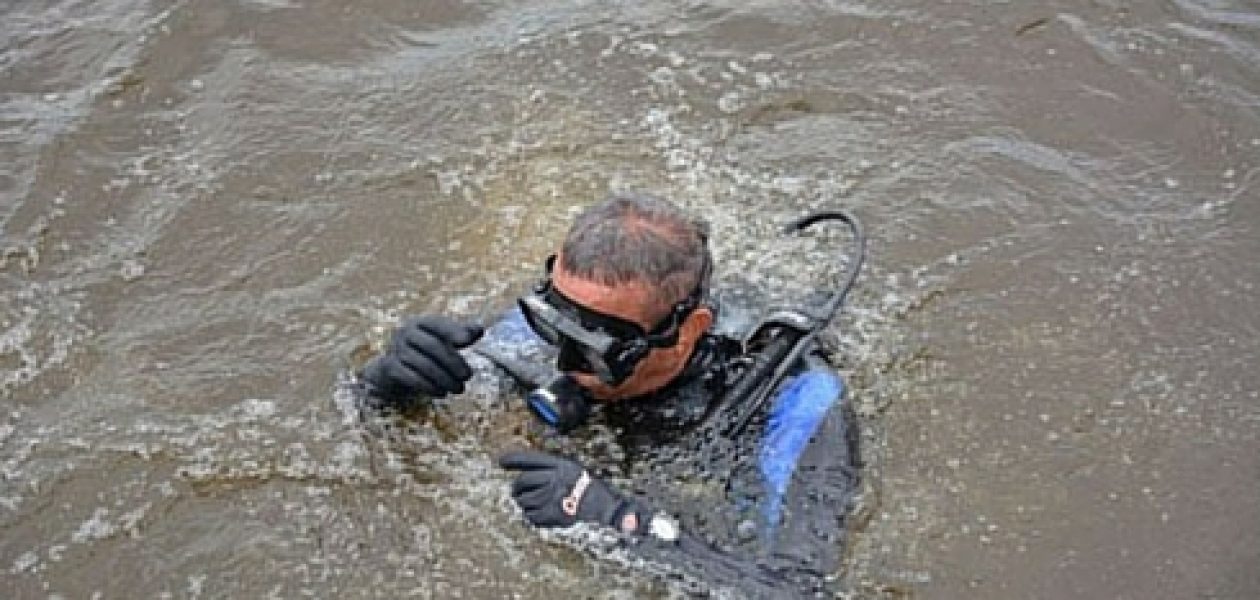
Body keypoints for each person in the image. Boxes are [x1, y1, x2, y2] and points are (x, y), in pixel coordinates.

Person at [358, 192, 860, 595]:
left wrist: (619, 521)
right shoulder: (544, 327)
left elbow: (803, 589)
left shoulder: (799, 404)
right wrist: (384, 384)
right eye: (556, 328)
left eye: (598, 348)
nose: (562, 365)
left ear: (688, 330)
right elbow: (372, 434)